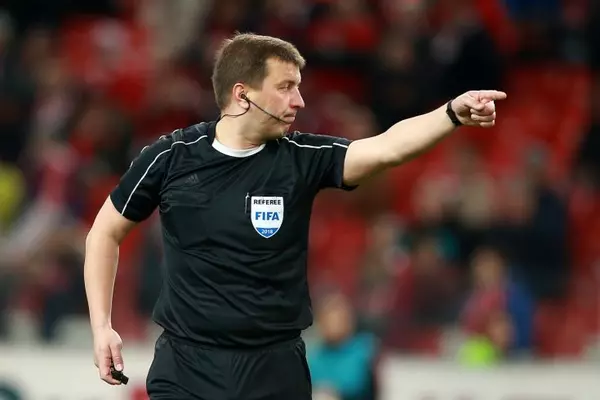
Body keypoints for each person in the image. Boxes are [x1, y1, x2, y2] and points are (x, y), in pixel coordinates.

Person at [83, 32, 506, 399]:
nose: (299, 100)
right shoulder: (171, 158)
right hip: (186, 368)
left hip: (274, 370)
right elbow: (103, 233)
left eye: (298, 87)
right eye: (285, 87)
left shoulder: (301, 158)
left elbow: (386, 148)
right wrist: (102, 327)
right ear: (243, 94)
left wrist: (450, 114)